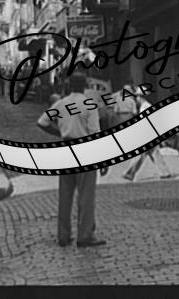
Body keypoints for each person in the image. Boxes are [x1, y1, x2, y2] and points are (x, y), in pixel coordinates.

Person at [37, 72, 108, 248]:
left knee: (65, 194)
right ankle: (85, 235)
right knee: (86, 195)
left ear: (69, 86)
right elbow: (94, 133)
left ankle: (63, 234)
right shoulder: (89, 105)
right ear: (85, 86)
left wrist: (59, 133)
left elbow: (42, 122)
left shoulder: (61, 104)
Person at [123, 88, 173, 181]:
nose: (136, 99)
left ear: (140, 97)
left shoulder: (145, 107)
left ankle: (130, 173)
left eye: (137, 97)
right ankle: (164, 172)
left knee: (142, 153)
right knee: (154, 152)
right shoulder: (144, 106)